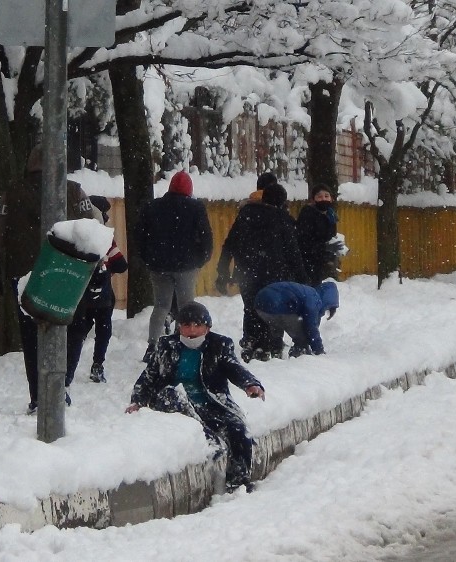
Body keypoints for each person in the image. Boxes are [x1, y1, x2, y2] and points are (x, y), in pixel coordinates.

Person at [0, 147, 99, 414]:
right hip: (66, 271)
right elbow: (90, 228)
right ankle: (62, 383)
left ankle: (38, 394)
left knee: (31, 333)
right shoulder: (74, 191)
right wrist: (95, 270)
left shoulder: (11, 194)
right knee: (72, 326)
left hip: (24, 272)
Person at [126, 302, 265, 493]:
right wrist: (137, 401)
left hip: (212, 404)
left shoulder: (220, 345)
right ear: (179, 327)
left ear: (207, 327)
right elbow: (149, 376)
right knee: (172, 393)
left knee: (238, 431)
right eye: (187, 325)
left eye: (198, 325)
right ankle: (208, 440)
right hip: (177, 404)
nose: (192, 331)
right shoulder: (167, 345)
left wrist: (250, 384)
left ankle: (238, 482)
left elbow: (234, 368)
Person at [216, 183, 308, 362]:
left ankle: (251, 339)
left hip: (246, 273)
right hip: (273, 274)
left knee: (250, 308)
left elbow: (229, 244)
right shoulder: (282, 218)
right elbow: (293, 252)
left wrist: (223, 271)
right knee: (270, 309)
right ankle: (268, 345)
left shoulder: (245, 216)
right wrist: (303, 280)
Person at [133, 170, 214, 359]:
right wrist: (201, 259)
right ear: (189, 190)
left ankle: (152, 345)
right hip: (186, 265)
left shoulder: (152, 207)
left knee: (161, 305)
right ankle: (184, 342)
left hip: (158, 265)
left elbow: (139, 237)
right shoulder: (195, 208)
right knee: (187, 306)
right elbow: (205, 237)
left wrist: (147, 258)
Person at [65, 196, 128, 385]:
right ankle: (98, 364)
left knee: (79, 328)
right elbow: (121, 265)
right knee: (103, 327)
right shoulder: (104, 237)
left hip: (79, 291)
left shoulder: (73, 236)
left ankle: (68, 365)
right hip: (102, 290)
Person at [254, 279, 339, 358]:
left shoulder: (308, 292)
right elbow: (310, 326)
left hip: (260, 304)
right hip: (279, 305)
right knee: (302, 338)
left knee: (276, 327)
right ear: (328, 301)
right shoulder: (314, 298)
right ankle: (299, 357)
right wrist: (318, 350)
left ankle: (275, 351)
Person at [296, 185, 341, 286]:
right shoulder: (308, 214)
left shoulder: (331, 215)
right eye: (319, 197)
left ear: (331, 198)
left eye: (326, 196)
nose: (323, 199)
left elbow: (330, 237)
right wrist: (325, 247)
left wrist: (335, 249)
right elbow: (303, 242)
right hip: (307, 263)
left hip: (321, 263)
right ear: (313, 199)